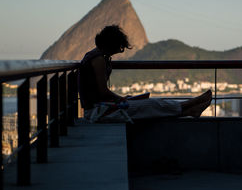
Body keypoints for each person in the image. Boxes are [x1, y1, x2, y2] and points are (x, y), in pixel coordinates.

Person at [78, 25, 212, 123]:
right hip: (97, 112)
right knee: (151, 105)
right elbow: (103, 92)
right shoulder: (98, 59)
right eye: (117, 48)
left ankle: (188, 110)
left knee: (148, 103)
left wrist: (123, 99)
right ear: (111, 43)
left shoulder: (95, 56)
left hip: (99, 109)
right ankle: (191, 104)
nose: (116, 52)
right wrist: (121, 99)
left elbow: (100, 92)